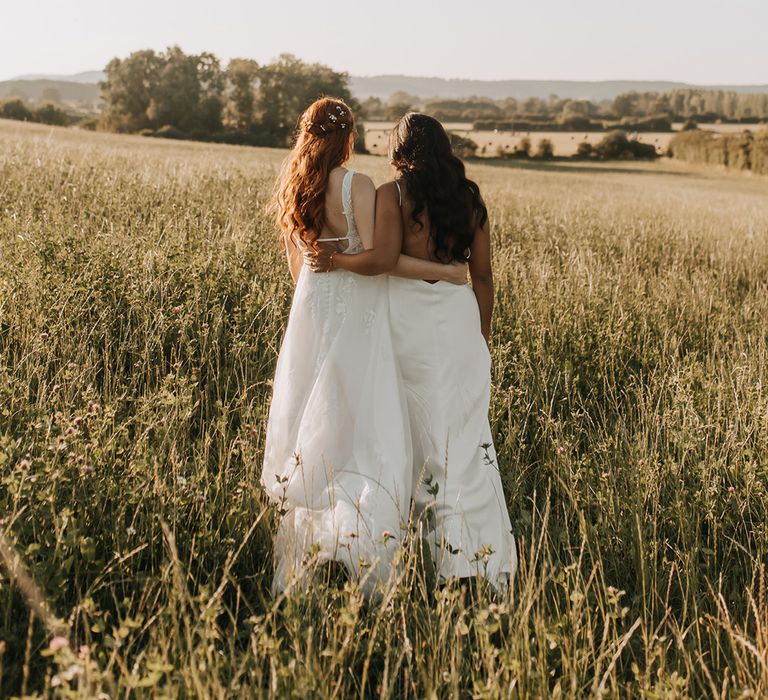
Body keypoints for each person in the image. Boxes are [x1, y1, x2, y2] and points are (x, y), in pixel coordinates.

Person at [261, 99, 464, 596]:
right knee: (366, 421)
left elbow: (298, 270)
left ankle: (311, 539)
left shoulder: (295, 186)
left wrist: (323, 268)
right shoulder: (359, 186)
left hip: (311, 308)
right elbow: (378, 259)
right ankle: (363, 544)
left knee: (318, 412)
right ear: (349, 135)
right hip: (359, 309)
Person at [309, 113, 517, 592]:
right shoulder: (469, 197)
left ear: (399, 149)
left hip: (406, 324)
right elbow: (482, 277)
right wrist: (480, 337)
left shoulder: (394, 195)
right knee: (462, 444)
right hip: (457, 321)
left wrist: (336, 260)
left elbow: (382, 259)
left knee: (411, 440)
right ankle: (470, 567)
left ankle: (405, 547)